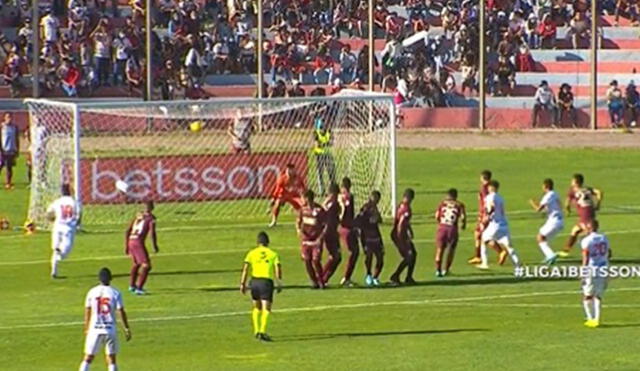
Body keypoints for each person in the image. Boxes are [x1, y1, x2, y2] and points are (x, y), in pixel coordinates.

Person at [79, 267, 132, 371]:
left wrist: (86, 327)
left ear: (99, 279)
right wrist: (126, 328)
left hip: (94, 329)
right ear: (110, 279)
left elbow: (87, 311)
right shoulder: (115, 293)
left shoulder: (92, 292)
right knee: (111, 359)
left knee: (88, 357)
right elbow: (120, 311)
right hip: (110, 329)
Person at [240, 232, 283, 341]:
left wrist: (242, 283)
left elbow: (245, 269)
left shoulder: (251, 253)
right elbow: (277, 268)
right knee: (266, 309)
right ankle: (262, 331)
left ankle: (256, 330)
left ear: (258, 242)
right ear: (268, 242)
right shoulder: (273, 254)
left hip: (254, 281)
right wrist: (279, 282)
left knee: (256, 307)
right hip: (266, 282)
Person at [478, 180, 522, 270]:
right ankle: (518, 265)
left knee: (483, 239)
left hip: (495, 224)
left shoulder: (490, 197)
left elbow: (492, 206)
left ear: (491, 188)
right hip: (504, 225)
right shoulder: (501, 198)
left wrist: (487, 217)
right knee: (509, 246)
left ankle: (484, 263)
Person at [559, 174, 603, 257]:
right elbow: (599, 192)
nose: (571, 182)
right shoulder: (587, 189)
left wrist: (567, 210)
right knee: (575, 231)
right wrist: (598, 204)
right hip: (590, 212)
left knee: (590, 233)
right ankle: (566, 250)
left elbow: (567, 203)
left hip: (584, 214)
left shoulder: (573, 191)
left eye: (572, 181)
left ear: (576, 182)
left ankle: (604, 251)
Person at [580, 220, 610, 328]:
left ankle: (590, 318)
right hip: (603, 267)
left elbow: (586, 258)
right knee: (598, 295)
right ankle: (597, 318)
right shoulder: (604, 238)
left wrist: (583, 272)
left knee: (587, 295)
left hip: (591, 269)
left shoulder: (586, 241)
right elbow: (609, 253)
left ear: (588, 228)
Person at [46, 184, 81, 278]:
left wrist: (51, 218)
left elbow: (49, 212)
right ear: (70, 191)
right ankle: (58, 255)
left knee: (55, 250)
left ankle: (54, 271)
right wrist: (77, 225)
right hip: (68, 229)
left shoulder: (57, 201)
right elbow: (79, 216)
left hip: (57, 227)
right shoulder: (75, 202)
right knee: (64, 253)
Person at [125, 201, 159, 295]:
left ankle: (132, 285)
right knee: (147, 265)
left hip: (131, 240)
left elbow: (127, 230)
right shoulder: (151, 218)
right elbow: (152, 233)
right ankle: (139, 288)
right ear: (152, 207)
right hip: (138, 242)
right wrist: (154, 246)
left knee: (136, 263)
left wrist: (126, 246)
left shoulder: (138, 216)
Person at [296, 190, 327, 289]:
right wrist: (298, 231)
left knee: (316, 260)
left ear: (308, 198)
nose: (302, 200)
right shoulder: (302, 210)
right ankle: (314, 282)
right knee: (307, 260)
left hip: (316, 239)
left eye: (304, 198)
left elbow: (325, 225)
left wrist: (321, 237)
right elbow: (298, 222)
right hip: (306, 239)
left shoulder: (319, 210)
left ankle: (321, 281)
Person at [529, 178, 563, 265]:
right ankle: (549, 255)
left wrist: (532, 203)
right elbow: (557, 206)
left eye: (543, 186)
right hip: (559, 220)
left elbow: (538, 209)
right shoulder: (556, 194)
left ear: (546, 186)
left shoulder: (548, 196)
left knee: (540, 237)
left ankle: (551, 255)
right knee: (544, 239)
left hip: (554, 221)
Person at [434, 188, 466, 277]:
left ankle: (438, 270)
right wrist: (463, 225)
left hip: (442, 228)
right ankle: (446, 270)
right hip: (452, 229)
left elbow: (436, 216)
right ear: (456, 196)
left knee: (440, 250)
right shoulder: (459, 205)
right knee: (450, 250)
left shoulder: (442, 204)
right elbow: (462, 218)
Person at [356, 190, 383, 286]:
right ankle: (368, 275)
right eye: (375, 198)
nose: (376, 201)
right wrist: (360, 233)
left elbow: (379, 220)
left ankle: (375, 277)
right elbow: (359, 220)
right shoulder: (365, 208)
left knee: (380, 257)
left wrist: (377, 218)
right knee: (369, 256)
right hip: (367, 237)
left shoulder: (375, 208)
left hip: (376, 236)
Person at [389, 188, 417, 285]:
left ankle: (408, 277)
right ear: (411, 198)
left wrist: (410, 230)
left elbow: (403, 221)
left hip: (398, 234)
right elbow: (401, 223)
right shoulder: (407, 209)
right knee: (409, 256)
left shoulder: (400, 205)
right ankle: (395, 276)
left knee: (413, 254)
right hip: (400, 235)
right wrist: (401, 238)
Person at [338, 177, 359, 287]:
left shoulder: (338, 196)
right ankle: (346, 278)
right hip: (347, 228)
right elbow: (346, 211)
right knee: (353, 252)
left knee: (351, 252)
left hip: (342, 228)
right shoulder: (348, 197)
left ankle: (346, 277)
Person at [469, 170, 492, 265]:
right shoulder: (490, 187)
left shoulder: (484, 188)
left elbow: (487, 202)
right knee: (480, 234)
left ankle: (478, 256)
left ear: (482, 177)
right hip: (485, 213)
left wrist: (485, 214)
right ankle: (478, 255)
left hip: (484, 214)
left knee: (479, 234)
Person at [321, 183, 342, 285]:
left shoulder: (328, 205)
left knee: (335, 257)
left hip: (332, 233)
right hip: (330, 233)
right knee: (335, 257)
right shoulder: (335, 205)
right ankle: (322, 278)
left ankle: (323, 278)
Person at [313, 117, 336, 196]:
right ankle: (322, 190)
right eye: (321, 127)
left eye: (323, 127)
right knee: (320, 174)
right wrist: (326, 143)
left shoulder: (329, 132)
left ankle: (333, 189)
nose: (322, 129)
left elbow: (332, 142)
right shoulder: (316, 133)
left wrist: (325, 144)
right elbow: (317, 144)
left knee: (331, 173)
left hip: (328, 155)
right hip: (319, 156)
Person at [0, 113, 20, 189]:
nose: (9, 118)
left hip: (11, 150)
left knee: (9, 167)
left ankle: (8, 183)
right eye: (8, 117)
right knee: (0, 165)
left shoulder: (14, 127)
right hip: (3, 150)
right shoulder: (2, 127)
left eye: (10, 117)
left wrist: (17, 149)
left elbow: (16, 139)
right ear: (4, 118)